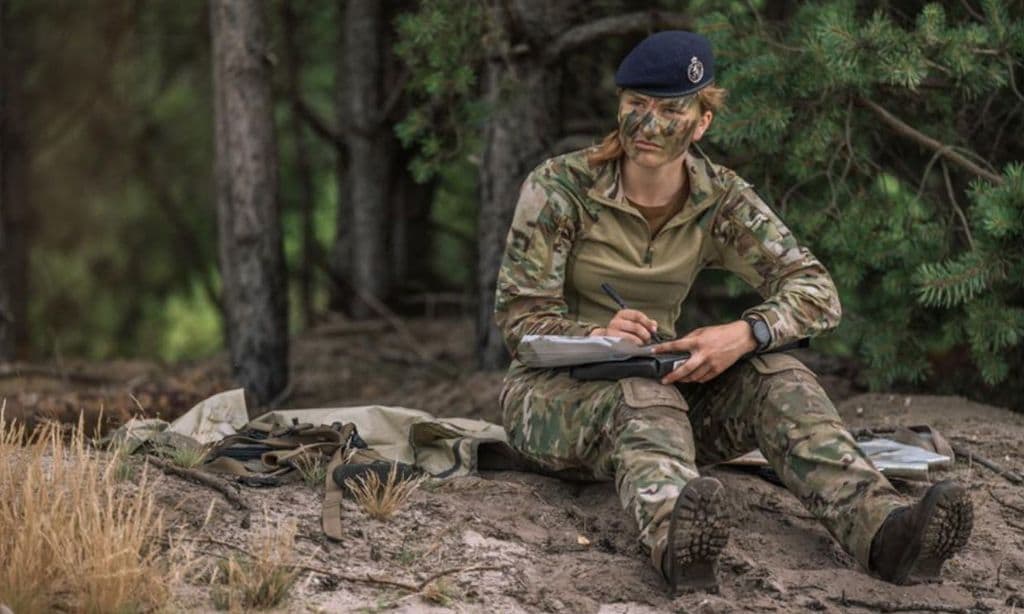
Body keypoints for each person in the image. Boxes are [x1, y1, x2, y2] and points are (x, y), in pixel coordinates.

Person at [493, 30, 973, 592]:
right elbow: (521, 326)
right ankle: (681, 547)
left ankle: (887, 535)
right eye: (635, 105)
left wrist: (746, 333)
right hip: (550, 397)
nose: (647, 126)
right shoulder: (560, 187)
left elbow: (815, 289)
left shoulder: (719, 198)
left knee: (782, 376)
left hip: (660, 385)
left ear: (701, 123)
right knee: (643, 400)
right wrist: (597, 333)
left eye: (670, 110)